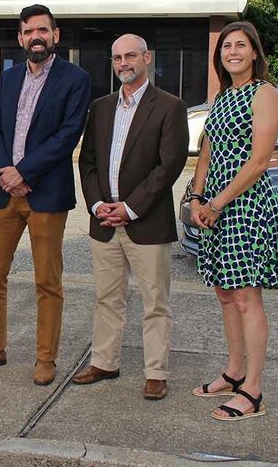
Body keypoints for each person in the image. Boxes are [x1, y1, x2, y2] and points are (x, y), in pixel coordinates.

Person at [0, 4, 91, 386]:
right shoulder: (11, 77)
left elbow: (67, 135)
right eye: (29, 30)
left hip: (45, 193)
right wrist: (7, 172)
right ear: (20, 37)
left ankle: (46, 357)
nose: (37, 36)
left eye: (43, 30)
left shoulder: (75, 79)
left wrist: (25, 172)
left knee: (47, 280)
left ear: (55, 35)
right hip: (3, 192)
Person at [75, 34, 188, 400]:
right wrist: (97, 205)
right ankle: (104, 362)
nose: (123, 63)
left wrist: (131, 207)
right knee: (107, 297)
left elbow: (168, 165)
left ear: (147, 58)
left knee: (155, 302)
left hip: (146, 223)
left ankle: (156, 372)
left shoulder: (169, 106)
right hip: (104, 222)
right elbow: (87, 160)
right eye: (117, 58)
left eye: (130, 56)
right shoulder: (102, 106)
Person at [189, 20, 278, 420]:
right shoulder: (222, 97)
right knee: (225, 293)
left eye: (241, 45)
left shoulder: (264, 94)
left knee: (247, 298)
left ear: (254, 53)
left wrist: (217, 202)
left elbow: (259, 161)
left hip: (245, 207)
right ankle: (233, 372)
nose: (233, 51)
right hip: (213, 206)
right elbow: (207, 155)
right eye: (227, 45)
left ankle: (253, 390)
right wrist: (197, 198)